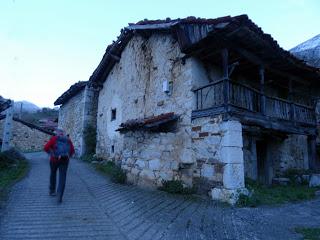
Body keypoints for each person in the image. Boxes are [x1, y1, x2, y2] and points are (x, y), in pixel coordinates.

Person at [44, 129, 75, 203]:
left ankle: (52, 191)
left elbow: (46, 148)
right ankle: (60, 195)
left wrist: (52, 154)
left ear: (57, 133)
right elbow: (72, 150)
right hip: (64, 160)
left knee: (53, 174)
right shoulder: (68, 140)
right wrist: (67, 156)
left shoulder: (54, 139)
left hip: (54, 160)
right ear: (63, 133)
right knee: (62, 178)